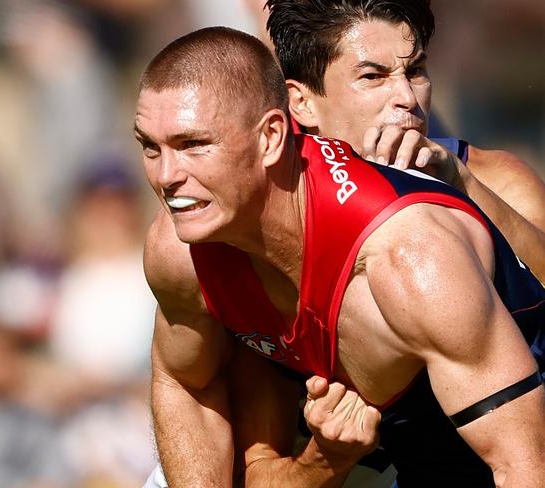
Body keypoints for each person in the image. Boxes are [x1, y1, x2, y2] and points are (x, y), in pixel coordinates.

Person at [135, 26, 545, 487]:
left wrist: (325, 461)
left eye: (192, 146)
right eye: (150, 147)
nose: (165, 177)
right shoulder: (182, 251)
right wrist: (323, 459)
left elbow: (525, 465)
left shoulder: (410, 258)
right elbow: (185, 383)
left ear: (272, 136)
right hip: (373, 451)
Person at [265, 0, 545, 282]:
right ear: (302, 102)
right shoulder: (270, 206)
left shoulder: (497, 180)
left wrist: (463, 184)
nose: (408, 98)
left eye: (415, 71)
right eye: (373, 76)